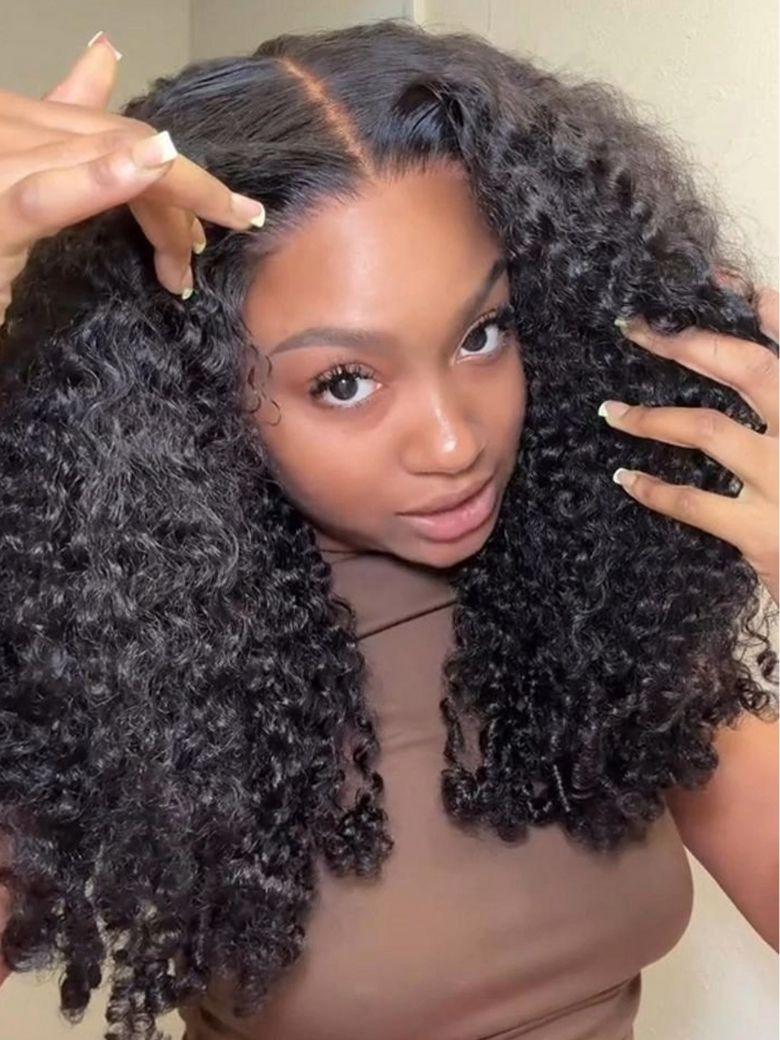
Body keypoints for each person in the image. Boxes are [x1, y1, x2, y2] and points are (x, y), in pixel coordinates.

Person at [0, 17, 777, 1040]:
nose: (454, 442)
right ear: (191, 392)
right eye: (344, 382)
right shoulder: (122, 668)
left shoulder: (599, 606)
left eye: (482, 333)